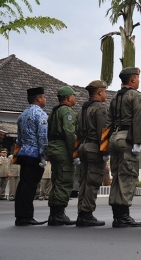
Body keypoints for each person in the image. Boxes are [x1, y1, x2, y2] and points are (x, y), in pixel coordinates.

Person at [107, 67, 141, 228]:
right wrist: (138, 142)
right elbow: (138, 119)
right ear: (132, 80)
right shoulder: (136, 96)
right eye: (137, 77)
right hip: (127, 138)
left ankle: (117, 215)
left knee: (116, 177)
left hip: (114, 138)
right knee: (128, 177)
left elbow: (108, 121)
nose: (139, 80)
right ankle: (123, 216)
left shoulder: (115, 97)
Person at [75, 80, 109, 227]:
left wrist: (76, 152)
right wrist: (105, 151)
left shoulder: (82, 109)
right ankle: (87, 213)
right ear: (100, 92)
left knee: (84, 180)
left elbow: (77, 131)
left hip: (83, 146)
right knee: (93, 181)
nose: (106, 94)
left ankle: (81, 212)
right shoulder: (99, 108)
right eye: (105, 91)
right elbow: (103, 131)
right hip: (94, 147)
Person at [14, 87, 48, 226]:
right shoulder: (40, 114)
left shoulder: (22, 115)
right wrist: (43, 156)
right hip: (35, 154)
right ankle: (27, 216)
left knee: (23, 185)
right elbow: (42, 136)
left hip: (24, 153)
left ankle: (20, 216)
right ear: (38, 98)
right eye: (44, 97)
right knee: (30, 186)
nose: (45, 99)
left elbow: (19, 138)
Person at [47, 86, 79, 226]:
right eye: (73, 96)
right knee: (64, 180)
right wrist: (74, 152)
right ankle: (58, 214)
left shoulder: (53, 112)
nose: (75, 98)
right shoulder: (67, 111)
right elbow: (70, 133)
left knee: (56, 180)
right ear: (67, 98)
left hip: (53, 147)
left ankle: (54, 213)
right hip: (63, 149)